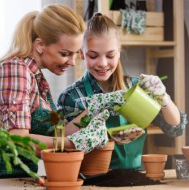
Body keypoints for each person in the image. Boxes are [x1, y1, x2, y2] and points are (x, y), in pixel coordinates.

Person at [0, 4, 111, 178]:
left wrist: (93, 110)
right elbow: (18, 141)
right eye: (65, 53)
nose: (72, 62)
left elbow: (57, 133)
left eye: (75, 53)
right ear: (40, 45)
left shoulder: (36, 78)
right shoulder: (15, 70)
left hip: (20, 176)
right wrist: (72, 144)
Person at [58, 13, 187, 170]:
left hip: (135, 180)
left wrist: (163, 97)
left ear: (119, 50)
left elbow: (175, 128)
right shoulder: (72, 96)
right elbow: (60, 143)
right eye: (93, 56)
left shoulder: (136, 88)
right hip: (91, 181)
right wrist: (92, 110)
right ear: (82, 54)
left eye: (110, 55)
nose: (102, 63)